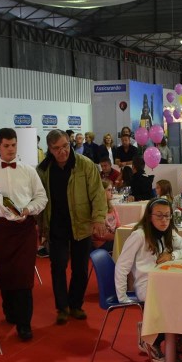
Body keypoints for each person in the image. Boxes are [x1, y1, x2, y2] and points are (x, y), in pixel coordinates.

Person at [0, 128, 47, 341]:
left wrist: (28, 209)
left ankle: (24, 324)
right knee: (6, 272)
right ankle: (10, 312)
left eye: (13, 145)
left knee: (24, 276)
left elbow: (41, 198)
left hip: (25, 228)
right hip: (2, 228)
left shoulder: (29, 170)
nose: (10, 149)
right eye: (6, 145)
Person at [36, 129, 106, 326]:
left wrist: (98, 219)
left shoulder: (85, 165)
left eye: (65, 146)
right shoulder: (43, 170)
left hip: (81, 224)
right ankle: (62, 307)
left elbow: (98, 194)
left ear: (70, 143)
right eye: (57, 148)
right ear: (49, 149)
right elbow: (40, 202)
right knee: (57, 266)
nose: (63, 151)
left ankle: (76, 304)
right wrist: (40, 227)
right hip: (56, 225)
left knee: (81, 269)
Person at [114, 197, 182, 362]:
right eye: (159, 216)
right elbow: (122, 266)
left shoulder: (168, 232)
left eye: (167, 216)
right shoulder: (139, 235)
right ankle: (152, 339)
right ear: (149, 216)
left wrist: (173, 254)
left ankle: (154, 335)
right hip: (146, 285)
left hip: (164, 281)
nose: (164, 220)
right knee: (175, 302)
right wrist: (122, 297)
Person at [92, 180, 121, 253]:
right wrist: (117, 237)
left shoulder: (112, 208)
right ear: (101, 191)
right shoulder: (95, 209)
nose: (112, 193)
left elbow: (118, 226)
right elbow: (98, 234)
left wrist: (119, 235)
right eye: (109, 190)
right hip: (101, 244)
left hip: (112, 239)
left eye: (112, 190)